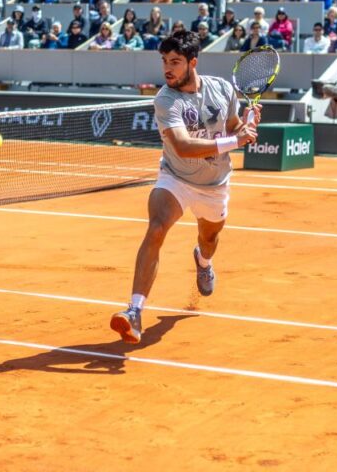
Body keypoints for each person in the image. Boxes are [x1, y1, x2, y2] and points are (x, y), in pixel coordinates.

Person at [109, 30, 260, 344]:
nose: (168, 68)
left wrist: (244, 127)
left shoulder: (221, 89)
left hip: (215, 184)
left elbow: (233, 126)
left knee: (210, 238)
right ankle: (134, 311)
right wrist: (236, 139)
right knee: (156, 227)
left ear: (193, 62)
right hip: (175, 178)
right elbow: (183, 147)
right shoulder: (165, 99)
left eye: (175, 62)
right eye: (165, 61)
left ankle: (203, 262)